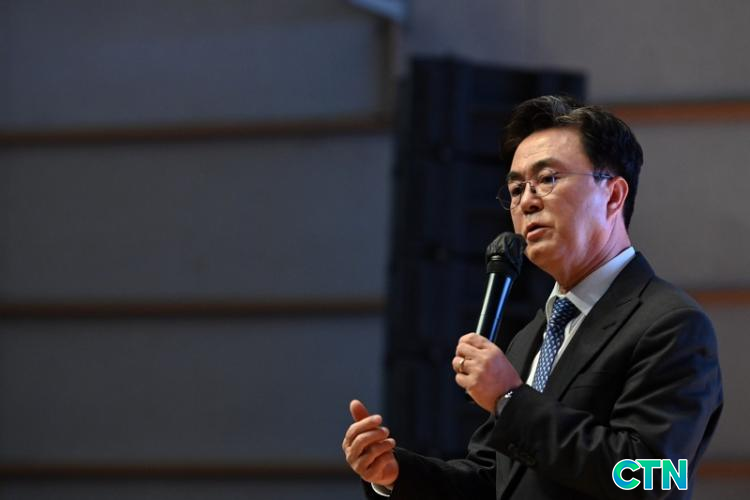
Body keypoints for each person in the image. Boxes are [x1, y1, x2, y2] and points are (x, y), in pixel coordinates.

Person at [341, 95, 723, 499]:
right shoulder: (531, 337)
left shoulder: (671, 325)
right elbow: (494, 483)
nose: (527, 200)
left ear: (613, 196)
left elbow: (654, 477)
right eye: (516, 187)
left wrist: (509, 399)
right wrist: (395, 475)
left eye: (548, 179)